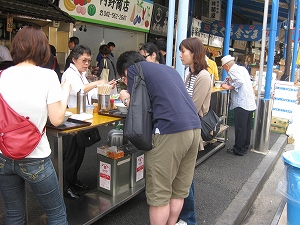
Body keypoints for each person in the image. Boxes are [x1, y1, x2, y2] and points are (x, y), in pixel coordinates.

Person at [117, 51, 201, 225]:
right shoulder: (169, 70)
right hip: (194, 129)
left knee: (159, 196)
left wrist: (126, 99)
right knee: (178, 191)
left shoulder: (134, 69)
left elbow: (138, 106)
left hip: (170, 132)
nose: (126, 82)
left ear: (126, 70)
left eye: (124, 79)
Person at [0, 26, 70, 224]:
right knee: (56, 213)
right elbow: (56, 119)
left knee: (14, 213)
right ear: (42, 49)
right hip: (36, 157)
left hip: (3, 156)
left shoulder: (2, 75)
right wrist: (64, 91)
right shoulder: (48, 76)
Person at [61, 44, 116, 199]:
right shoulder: (69, 74)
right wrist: (98, 82)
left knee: (79, 154)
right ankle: (65, 186)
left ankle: (73, 181)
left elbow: (89, 92)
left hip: (81, 118)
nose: (86, 64)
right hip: (71, 120)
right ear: (74, 59)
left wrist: (106, 87)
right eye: (84, 60)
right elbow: (78, 90)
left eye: (88, 61)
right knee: (71, 156)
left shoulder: (80, 74)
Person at [177, 37, 212, 225]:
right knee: (184, 176)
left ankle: (189, 218)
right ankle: (185, 216)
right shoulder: (190, 74)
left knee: (186, 177)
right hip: (185, 127)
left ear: (194, 53)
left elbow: (193, 107)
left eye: (184, 51)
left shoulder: (203, 76)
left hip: (190, 128)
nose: (181, 55)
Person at [221, 55, 256, 156]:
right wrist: (230, 81)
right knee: (246, 126)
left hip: (241, 102)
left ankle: (238, 149)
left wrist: (229, 86)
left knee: (240, 127)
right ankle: (245, 146)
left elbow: (239, 82)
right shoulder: (242, 68)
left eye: (224, 67)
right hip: (249, 101)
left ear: (227, 65)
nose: (225, 70)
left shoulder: (232, 70)